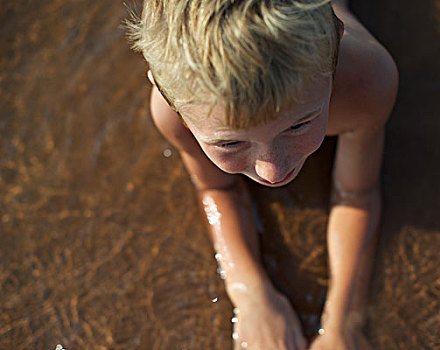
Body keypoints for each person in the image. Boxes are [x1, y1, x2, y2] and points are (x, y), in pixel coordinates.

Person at [127, 0, 398, 348]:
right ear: (164, 92)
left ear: (336, 46)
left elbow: (356, 194)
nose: (274, 170)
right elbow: (217, 189)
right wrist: (249, 293)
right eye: (230, 144)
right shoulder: (171, 115)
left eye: (300, 124)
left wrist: (342, 321)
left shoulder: (366, 83)